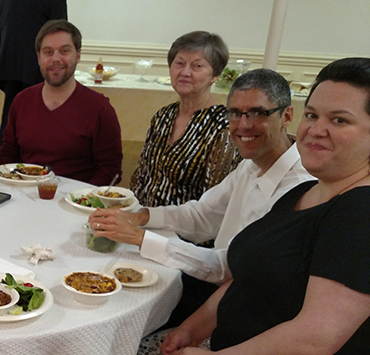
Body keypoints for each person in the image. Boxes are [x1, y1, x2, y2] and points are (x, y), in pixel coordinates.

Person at [92, 57, 370, 355]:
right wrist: (194, 327)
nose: (316, 130)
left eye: (339, 120)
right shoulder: (301, 193)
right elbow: (242, 274)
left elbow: (315, 339)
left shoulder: (359, 211)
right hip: (234, 352)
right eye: (313, 115)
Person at [89, 69, 313, 328]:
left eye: (258, 113)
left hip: (242, 309)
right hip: (216, 285)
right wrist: (141, 216)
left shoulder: (297, 189)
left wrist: (139, 237)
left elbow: (228, 267)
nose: (243, 124)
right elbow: (202, 215)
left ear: (286, 115)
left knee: (117, 312)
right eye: (235, 113)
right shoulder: (251, 165)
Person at [0, 20, 122, 186]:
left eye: (64, 51)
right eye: (48, 52)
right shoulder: (22, 101)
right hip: (24, 195)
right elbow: (8, 155)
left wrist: (83, 199)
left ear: (78, 55)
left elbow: (110, 169)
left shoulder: (99, 108)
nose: (56, 59)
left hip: (76, 202)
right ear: (38, 58)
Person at [130, 31, 238, 208]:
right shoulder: (163, 117)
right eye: (179, 63)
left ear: (215, 75)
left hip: (187, 232)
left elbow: (215, 203)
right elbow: (140, 177)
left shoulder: (223, 127)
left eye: (197, 66)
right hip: (144, 221)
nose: (185, 72)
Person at [0, 0, 67, 159]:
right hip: (39, 72)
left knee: (10, 128)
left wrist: (2, 71)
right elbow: (61, 34)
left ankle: (3, 170)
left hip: (10, 68)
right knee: (40, 130)